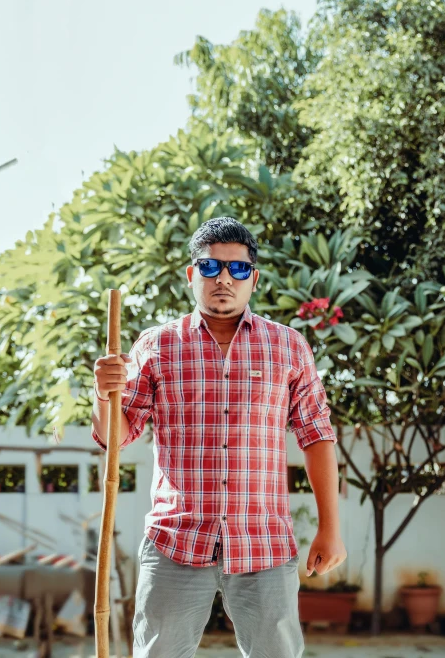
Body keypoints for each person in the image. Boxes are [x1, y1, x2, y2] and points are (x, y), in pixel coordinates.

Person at [92, 216, 346, 658]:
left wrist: (331, 528)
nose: (224, 278)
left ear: (254, 278)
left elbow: (317, 436)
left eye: (238, 269)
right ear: (192, 275)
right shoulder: (156, 346)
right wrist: (103, 394)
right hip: (175, 540)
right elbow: (116, 436)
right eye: (210, 268)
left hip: (263, 540)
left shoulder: (289, 347)